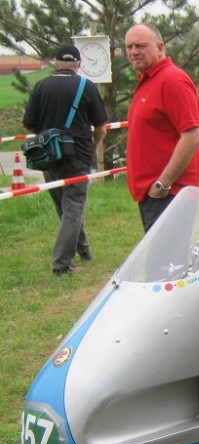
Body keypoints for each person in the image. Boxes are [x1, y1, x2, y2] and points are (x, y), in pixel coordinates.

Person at [22, 44, 108, 276]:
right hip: (77, 154)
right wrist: (93, 145)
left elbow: (28, 123)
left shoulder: (41, 86)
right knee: (74, 207)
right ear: (78, 64)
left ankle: (84, 250)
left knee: (65, 206)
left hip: (48, 156)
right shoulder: (86, 86)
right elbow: (101, 126)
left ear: (56, 62)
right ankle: (61, 265)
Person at [124, 23, 199, 233]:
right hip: (154, 196)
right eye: (129, 47)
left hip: (169, 195)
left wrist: (162, 184)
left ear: (160, 48)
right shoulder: (150, 80)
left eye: (140, 46)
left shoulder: (172, 80)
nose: (133, 52)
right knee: (164, 263)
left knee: (165, 264)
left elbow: (193, 136)